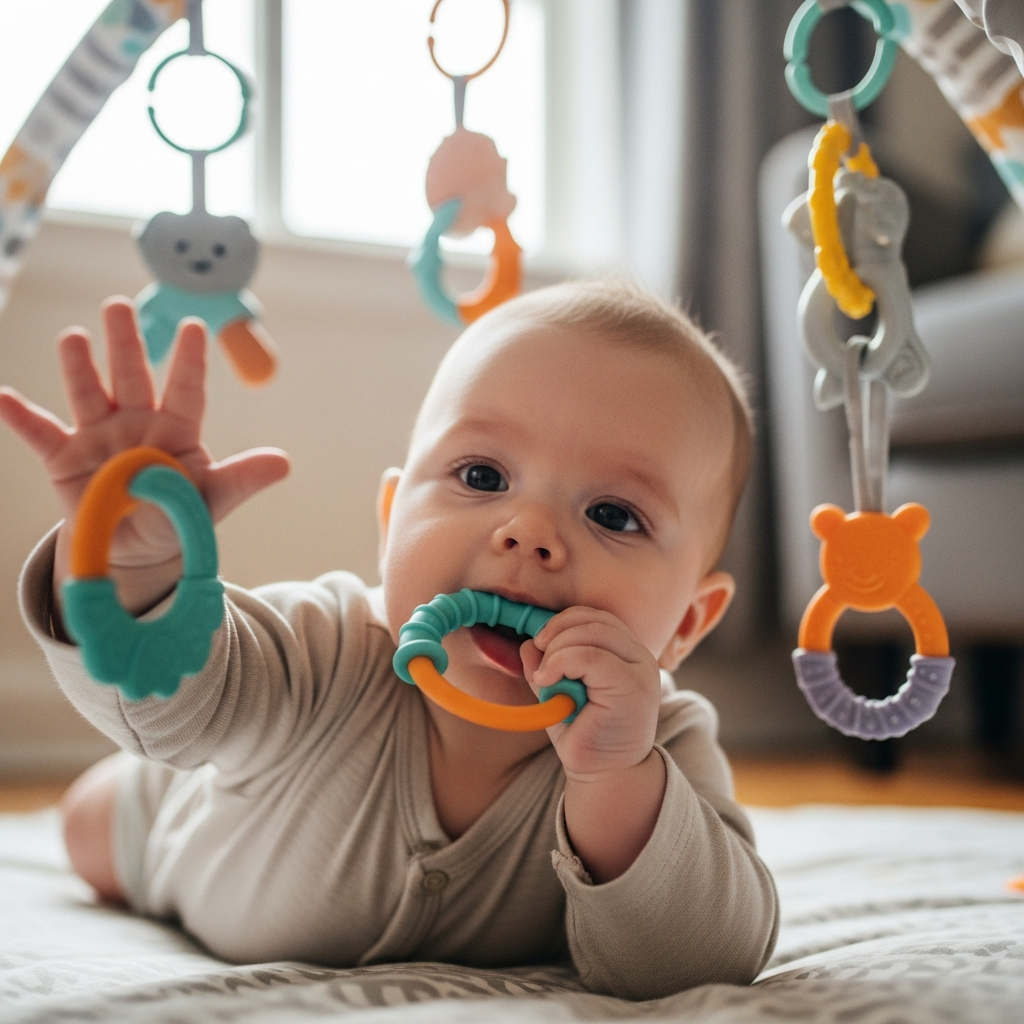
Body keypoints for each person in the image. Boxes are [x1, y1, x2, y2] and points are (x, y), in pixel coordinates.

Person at [0, 279, 778, 1000]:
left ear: (685, 625)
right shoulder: (322, 647)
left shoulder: (660, 745)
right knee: (88, 827)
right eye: (480, 476)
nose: (530, 534)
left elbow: (705, 959)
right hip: (186, 837)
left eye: (614, 515)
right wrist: (132, 566)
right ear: (389, 519)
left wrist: (618, 779)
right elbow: (171, 692)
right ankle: (148, 798)